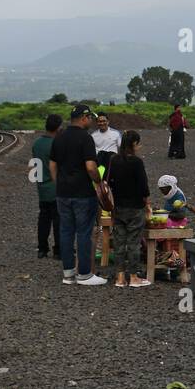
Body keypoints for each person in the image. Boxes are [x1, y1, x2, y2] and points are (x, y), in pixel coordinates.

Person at [49, 103, 108, 285]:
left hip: (62, 193)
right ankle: (84, 274)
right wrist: (99, 182)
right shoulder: (86, 138)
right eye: (90, 118)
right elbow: (91, 167)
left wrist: (58, 183)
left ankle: (68, 274)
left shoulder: (59, 137)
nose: (91, 121)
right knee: (83, 232)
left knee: (66, 231)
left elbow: (52, 164)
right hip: (83, 193)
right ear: (84, 118)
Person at [107, 130, 152, 288]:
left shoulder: (114, 160)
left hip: (117, 207)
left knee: (119, 242)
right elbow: (143, 187)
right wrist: (148, 206)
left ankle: (120, 277)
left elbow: (108, 183)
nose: (139, 146)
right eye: (138, 143)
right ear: (134, 144)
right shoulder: (137, 162)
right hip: (135, 207)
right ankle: (133, 277)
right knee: (133, 243)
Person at [32, 114, 62, 259]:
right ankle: (58, 250)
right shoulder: (57, 144)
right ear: (58, 127)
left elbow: (34, 168)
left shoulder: (36, 144)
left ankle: (42, 249)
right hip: (55, 188)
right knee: (58, 220)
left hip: (42, 188)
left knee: (43, 219)